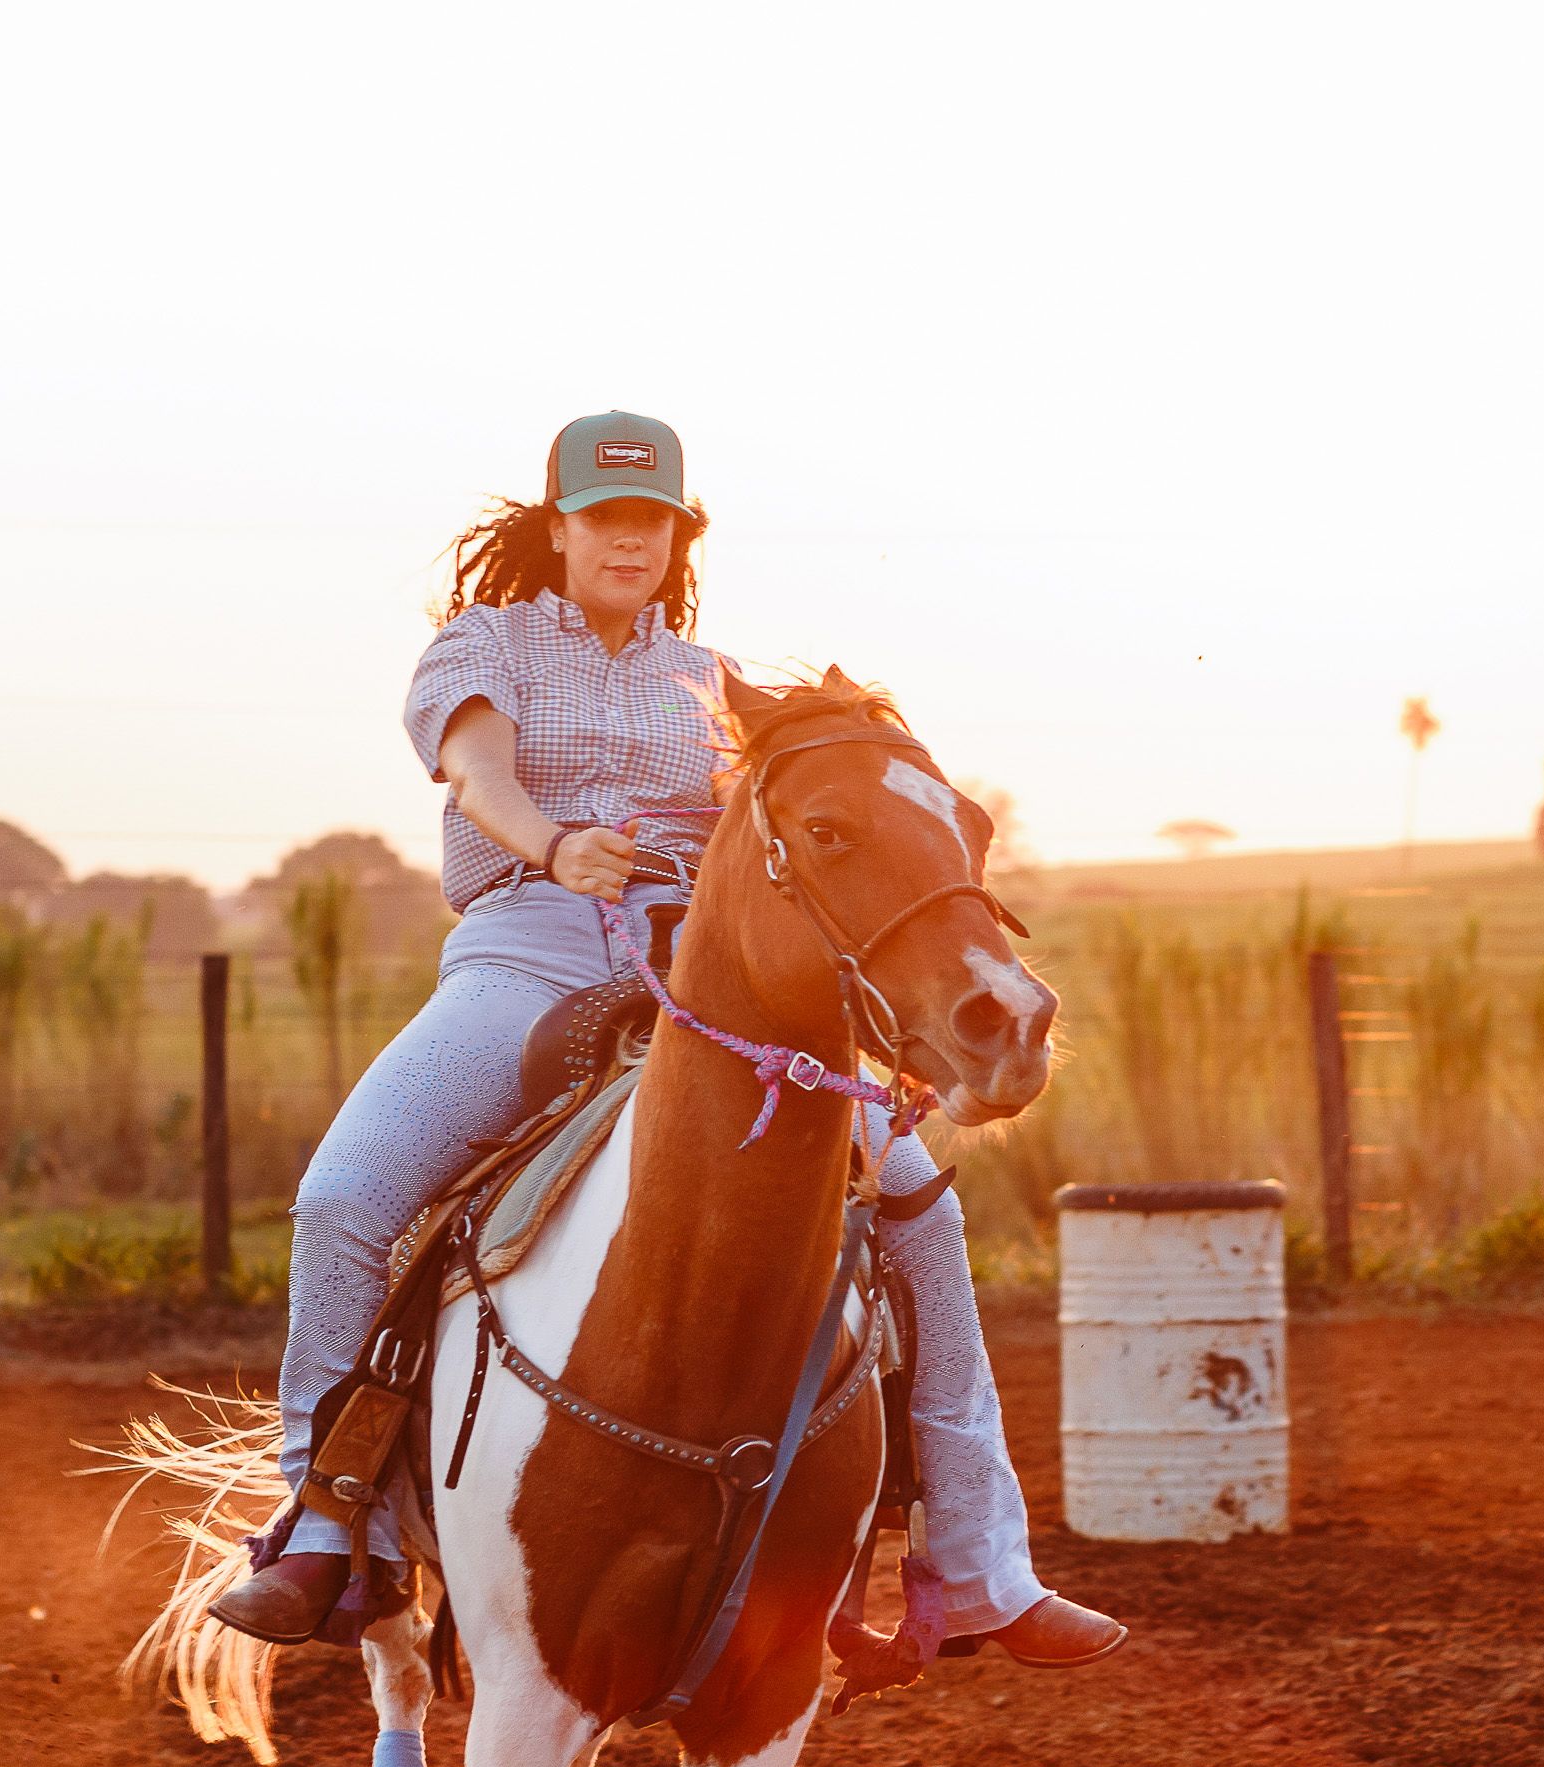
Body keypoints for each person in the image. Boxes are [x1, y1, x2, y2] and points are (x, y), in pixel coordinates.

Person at [213, 410, 1125, 1667]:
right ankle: (326, 1519)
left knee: (919, 1202)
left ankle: (973, 1558)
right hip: (524, 950)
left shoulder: (715, 681)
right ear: (561, 526)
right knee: (342, 1195)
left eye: (651, 520)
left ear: (676, 535)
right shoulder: (481, 644)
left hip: (700, 976)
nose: (627, 538)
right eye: (603, 516)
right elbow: (476, 772)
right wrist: (552, 845)